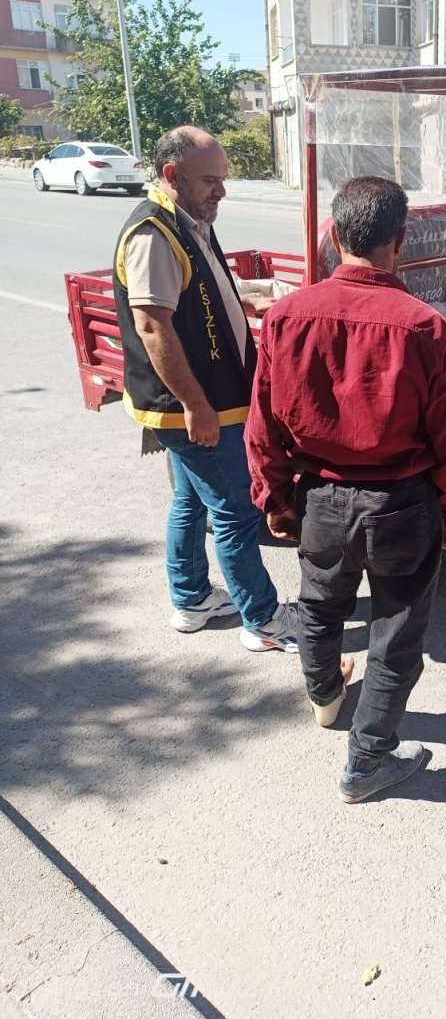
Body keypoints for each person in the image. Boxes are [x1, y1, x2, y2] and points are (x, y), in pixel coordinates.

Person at [245, 176, 446, 803]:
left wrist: (276, 497)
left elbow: (262, 425)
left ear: (334, 236)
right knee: (396, 634)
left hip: (321, 495)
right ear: (399, 242)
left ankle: (325, 696)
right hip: (403, 504)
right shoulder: (426, 327)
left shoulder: (285, 316)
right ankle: (368, 761)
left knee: (320, 608)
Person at [112, 125, 300, 652]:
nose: (221, 191)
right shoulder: (153, 233)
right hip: (192, 405)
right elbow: (153, 327)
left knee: (193, 502)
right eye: (209, 181)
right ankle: (262, 619)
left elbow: (204, 288)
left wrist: (249, 301)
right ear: (172, 175)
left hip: (206, 398)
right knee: (236, 509)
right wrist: (197, 406)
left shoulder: (189, 220)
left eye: (223, 180)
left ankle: (192, 598)